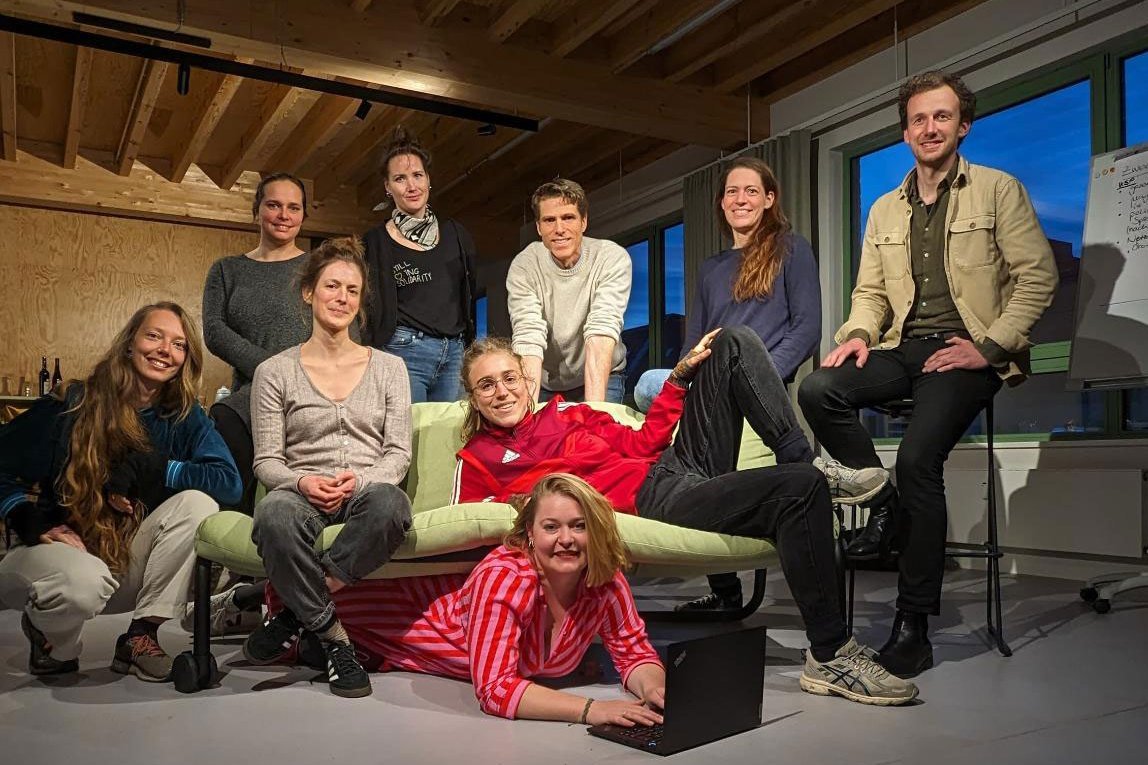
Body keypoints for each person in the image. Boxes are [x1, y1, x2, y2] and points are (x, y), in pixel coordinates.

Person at [450, 334, 918, 706]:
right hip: (656, 499)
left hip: (672, 467)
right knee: (799, 488)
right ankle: (831, 654)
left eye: (508, 377)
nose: (501, 391)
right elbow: (478, 527)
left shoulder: (570, 416)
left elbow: (643, 444)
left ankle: (805, 460)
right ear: (473, 398)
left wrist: (677, 377)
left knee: (731, 344)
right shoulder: (479, 460)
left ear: (526, 381)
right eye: (486, 385)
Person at [798, 71, 1058, 679]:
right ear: (905, 131)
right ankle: (882, 503)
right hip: (901, 347)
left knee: (918, 460)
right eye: (918, 119)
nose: (929, 128)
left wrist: (988, 347)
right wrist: (858, 335)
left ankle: (913, 625)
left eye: (941, 117)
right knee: (819, 388)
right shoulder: (885, 208)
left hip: (966, 351)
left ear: (962, 126)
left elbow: (1038, 277)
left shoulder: (998, 189)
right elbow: (869, 294)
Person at [0, 303, 242, 683]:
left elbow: (229, 483)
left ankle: (140, 636)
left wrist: (160, 468)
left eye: (179, 344)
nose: (166, 350)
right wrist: (23, 515)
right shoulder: (73, 402)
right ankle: (50, 640)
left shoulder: (181, 416)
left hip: (122, 559)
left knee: (199, 502)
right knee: (81, 586)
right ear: (129, 343)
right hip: (58, 556)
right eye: (154, 336)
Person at [632, 156, 823, 612]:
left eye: (751, 191)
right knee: (645, 383)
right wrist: (687, 383)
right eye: (732, 192)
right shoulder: (711, 268)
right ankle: (723, 590)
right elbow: (692, 344)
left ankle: (796, 459)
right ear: (721, 203)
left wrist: (757, 378)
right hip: (708, 382)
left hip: (758, 375)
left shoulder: (791, 250)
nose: (741, 199)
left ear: (769, 199)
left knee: (736, 351)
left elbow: (807, 329)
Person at [322, 473, 667, 725]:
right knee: (317, 626)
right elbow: (495, 690)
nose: (566, 539)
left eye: (579, 526)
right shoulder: (506, 577)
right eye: (551, 527)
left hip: (401, 637)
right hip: (370, 612)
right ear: (530, 534)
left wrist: (656, 690)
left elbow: (633, 652)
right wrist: (592, 710)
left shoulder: (605, 581)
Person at [244, 236, 413, 699]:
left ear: (360, 303)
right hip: (301, 492)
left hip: (366, 488)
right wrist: (301, 481)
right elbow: (267, 462)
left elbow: (397, 454)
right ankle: (335, 641)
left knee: (392, 507)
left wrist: (361, 479)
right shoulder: (274, 371)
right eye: (332, 286)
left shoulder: (389, 367)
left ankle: (294, 615)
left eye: (352, 291)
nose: (341, 298)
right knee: (274, 515)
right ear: (308, 292)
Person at [202, 172, 312, 515]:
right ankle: (232, 557)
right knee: (226, 441)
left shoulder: (318, 268)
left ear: (303, 216)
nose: (284, 215)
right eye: (274, 205)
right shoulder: (227, 270)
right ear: (257, 210)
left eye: (293, 207)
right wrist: (272, 370)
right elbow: (215, 330)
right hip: (251, 394)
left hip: (311, 389)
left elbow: (347, 330)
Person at [362, 127, 478, 402]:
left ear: (428, 180)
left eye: (417, 175)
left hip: (454, 354)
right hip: (404, 352)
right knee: (410, 438)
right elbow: (367, 305)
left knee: (450, 438)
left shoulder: (456, 234)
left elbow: (468, 293)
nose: (411, 186)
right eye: (400, 178)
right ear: (388, 188)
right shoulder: (375, 242)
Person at [506, 178, 631, 404]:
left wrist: (593, 412)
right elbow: (528, 337)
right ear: (538, 227)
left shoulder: (611, 258)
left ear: (583, 222)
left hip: (604, 375)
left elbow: (601, 331)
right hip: (547, 382)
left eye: (568, 218)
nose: (559, 229)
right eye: (549, 220)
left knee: (597, 436)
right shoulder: (524, 265)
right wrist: (527, 415)